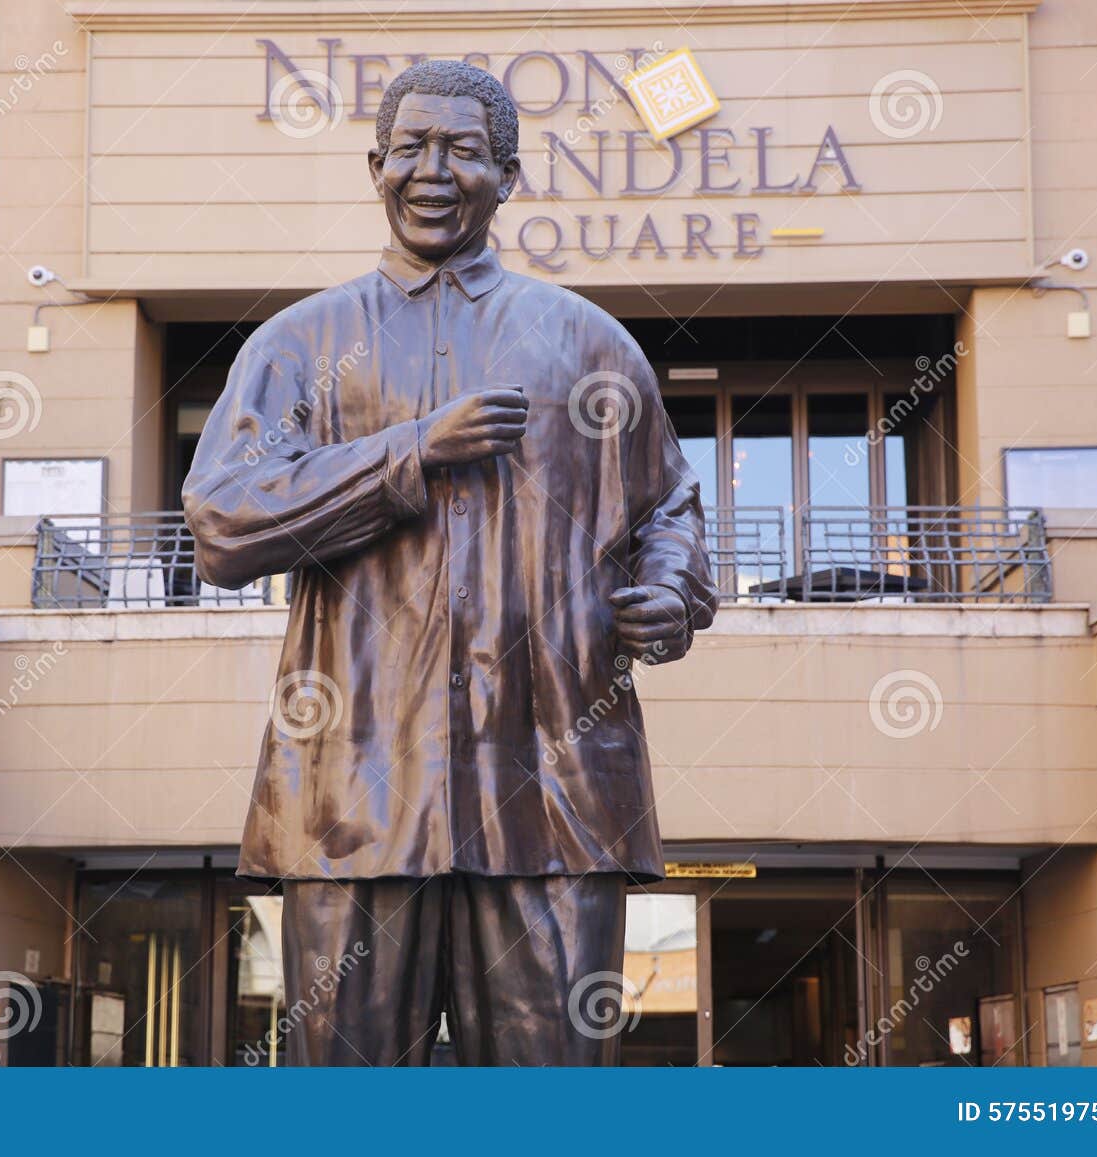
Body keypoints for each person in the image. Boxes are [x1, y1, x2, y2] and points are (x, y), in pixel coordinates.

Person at [183, 59, 717, 1065]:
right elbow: (222, 523)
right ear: (375, 164)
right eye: (413, 147)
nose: (435, 171)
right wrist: (410, 450)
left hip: (555, 785)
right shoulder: (302, 342)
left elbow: (671, 512)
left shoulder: (587, 343)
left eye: (464, 151)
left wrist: (670, 593)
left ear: (507, 175)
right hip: (356, 793)